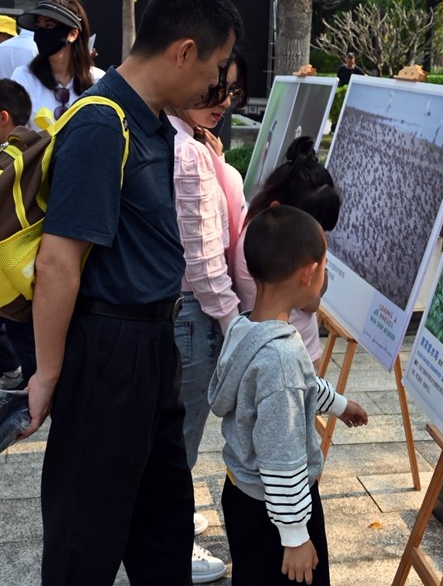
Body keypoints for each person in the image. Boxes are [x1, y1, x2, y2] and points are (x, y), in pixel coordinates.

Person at [19, 0, 243, 585]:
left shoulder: (150, 121)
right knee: (85, 541)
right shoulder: (104, 122)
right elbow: (59, 262)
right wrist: (48, 372)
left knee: (162, 527)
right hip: (108, 354)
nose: (218, 88)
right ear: (185, 52)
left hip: (151, 348)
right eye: (219, 69)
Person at [209, 205, 368, 585]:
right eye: (325, 265)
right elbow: (282, 455)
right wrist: (296, 536)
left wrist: (339, 405)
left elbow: (303, 385)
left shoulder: (245, 327)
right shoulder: (280, 358)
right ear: (309, 274)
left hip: (243, 495)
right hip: (278, 512)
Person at [168, 52, 248, 575]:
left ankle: (167, 518)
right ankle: (172, 540)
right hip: (194, 314)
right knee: (183, 434)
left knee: (177, 429)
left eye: (232, 91)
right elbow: (202, 259)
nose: (223, 102)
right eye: (213, 89)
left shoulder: (184, 140)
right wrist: (232, 322)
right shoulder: (188, 154)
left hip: (182, 310)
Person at [233, 136, 341, 368]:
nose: (317, 234)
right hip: (293, 357)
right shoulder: (281, 249)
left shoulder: (258, 230)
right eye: (313, 225)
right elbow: (312, 303)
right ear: (278, 209)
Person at [11, 0, 104, 129]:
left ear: (72, 34)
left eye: (49, 25)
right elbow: (14, 135)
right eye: (38, 27)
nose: (41, 34)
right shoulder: (23, 77)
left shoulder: (98, 81)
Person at [0, 78, 37, 390]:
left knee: (31, 357)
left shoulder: (7, 164)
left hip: (14, 289)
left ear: (3, 118)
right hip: (30, 282)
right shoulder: (33, 150)